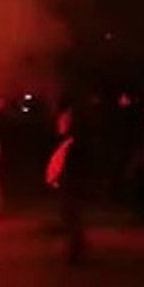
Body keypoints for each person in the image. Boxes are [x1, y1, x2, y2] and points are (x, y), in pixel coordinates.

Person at [47, 108, 87, 265]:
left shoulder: (72, 144)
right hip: (67, 186)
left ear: (69, 124)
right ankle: (76, 248)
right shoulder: (67, 143)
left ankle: (75, 251)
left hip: (70, 187)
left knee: (72, 218)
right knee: (70, 218)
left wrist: (61, 180)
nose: (59, 124)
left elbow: (71, 168)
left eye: (62, 122)